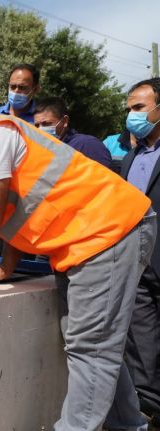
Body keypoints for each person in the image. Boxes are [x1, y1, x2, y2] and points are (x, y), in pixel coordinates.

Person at [0, 102, 155, 430]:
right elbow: (15, 209)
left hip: (107, 232)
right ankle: (130, 425)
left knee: (91, 346)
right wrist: (7, 266)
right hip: (89, 239)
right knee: (94, 344)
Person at [120, 77, 160, 426]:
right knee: (142, 338)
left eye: (138, 108)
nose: (131, 115)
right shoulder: (132, 156)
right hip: (139, 263)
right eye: (129, 108)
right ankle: (149, 404)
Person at [33, 97, 112, 168]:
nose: (40, 129)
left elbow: (106, 177)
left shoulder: (87, 145)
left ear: (65, 121)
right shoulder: (38, 149)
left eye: (46, 124)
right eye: (37, 125)